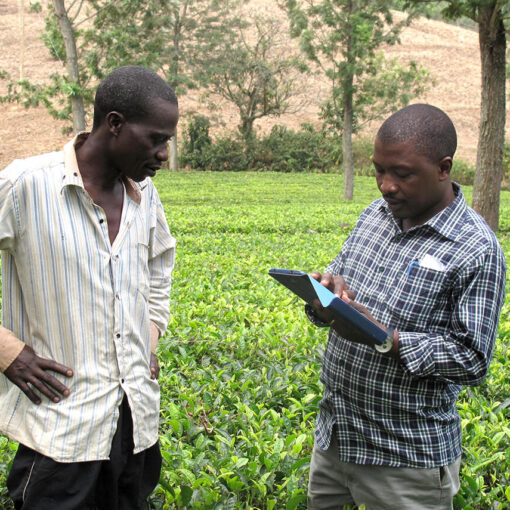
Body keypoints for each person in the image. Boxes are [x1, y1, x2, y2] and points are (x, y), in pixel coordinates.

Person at [305, 104, 506, 510]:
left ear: (444, 168)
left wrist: (387, 339)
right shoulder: (374, 216)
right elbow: (336, 280)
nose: (385, 185)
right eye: (379, 170)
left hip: (406, 459)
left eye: (402, 173)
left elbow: (471, 358)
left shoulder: (476, 248)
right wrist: (326, 298)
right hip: (335, 437)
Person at [0, 65, 178, 509]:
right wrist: (7, 352)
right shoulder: (25, 186)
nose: (163, 155)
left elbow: (159, 265)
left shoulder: (145, 195)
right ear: (114, 124)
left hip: (135, 427)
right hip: (60, 436)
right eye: (155, 139)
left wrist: (149, 335)